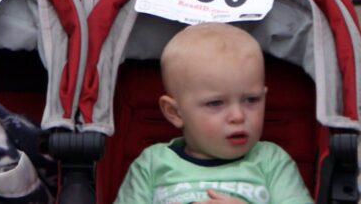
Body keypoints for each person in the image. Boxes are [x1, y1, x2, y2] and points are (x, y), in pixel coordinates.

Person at [113, 23, 312, 204]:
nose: (238, 116)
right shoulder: (153, 163)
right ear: (175, 112)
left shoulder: (270, 161)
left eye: (252, 100)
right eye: (216, 103)